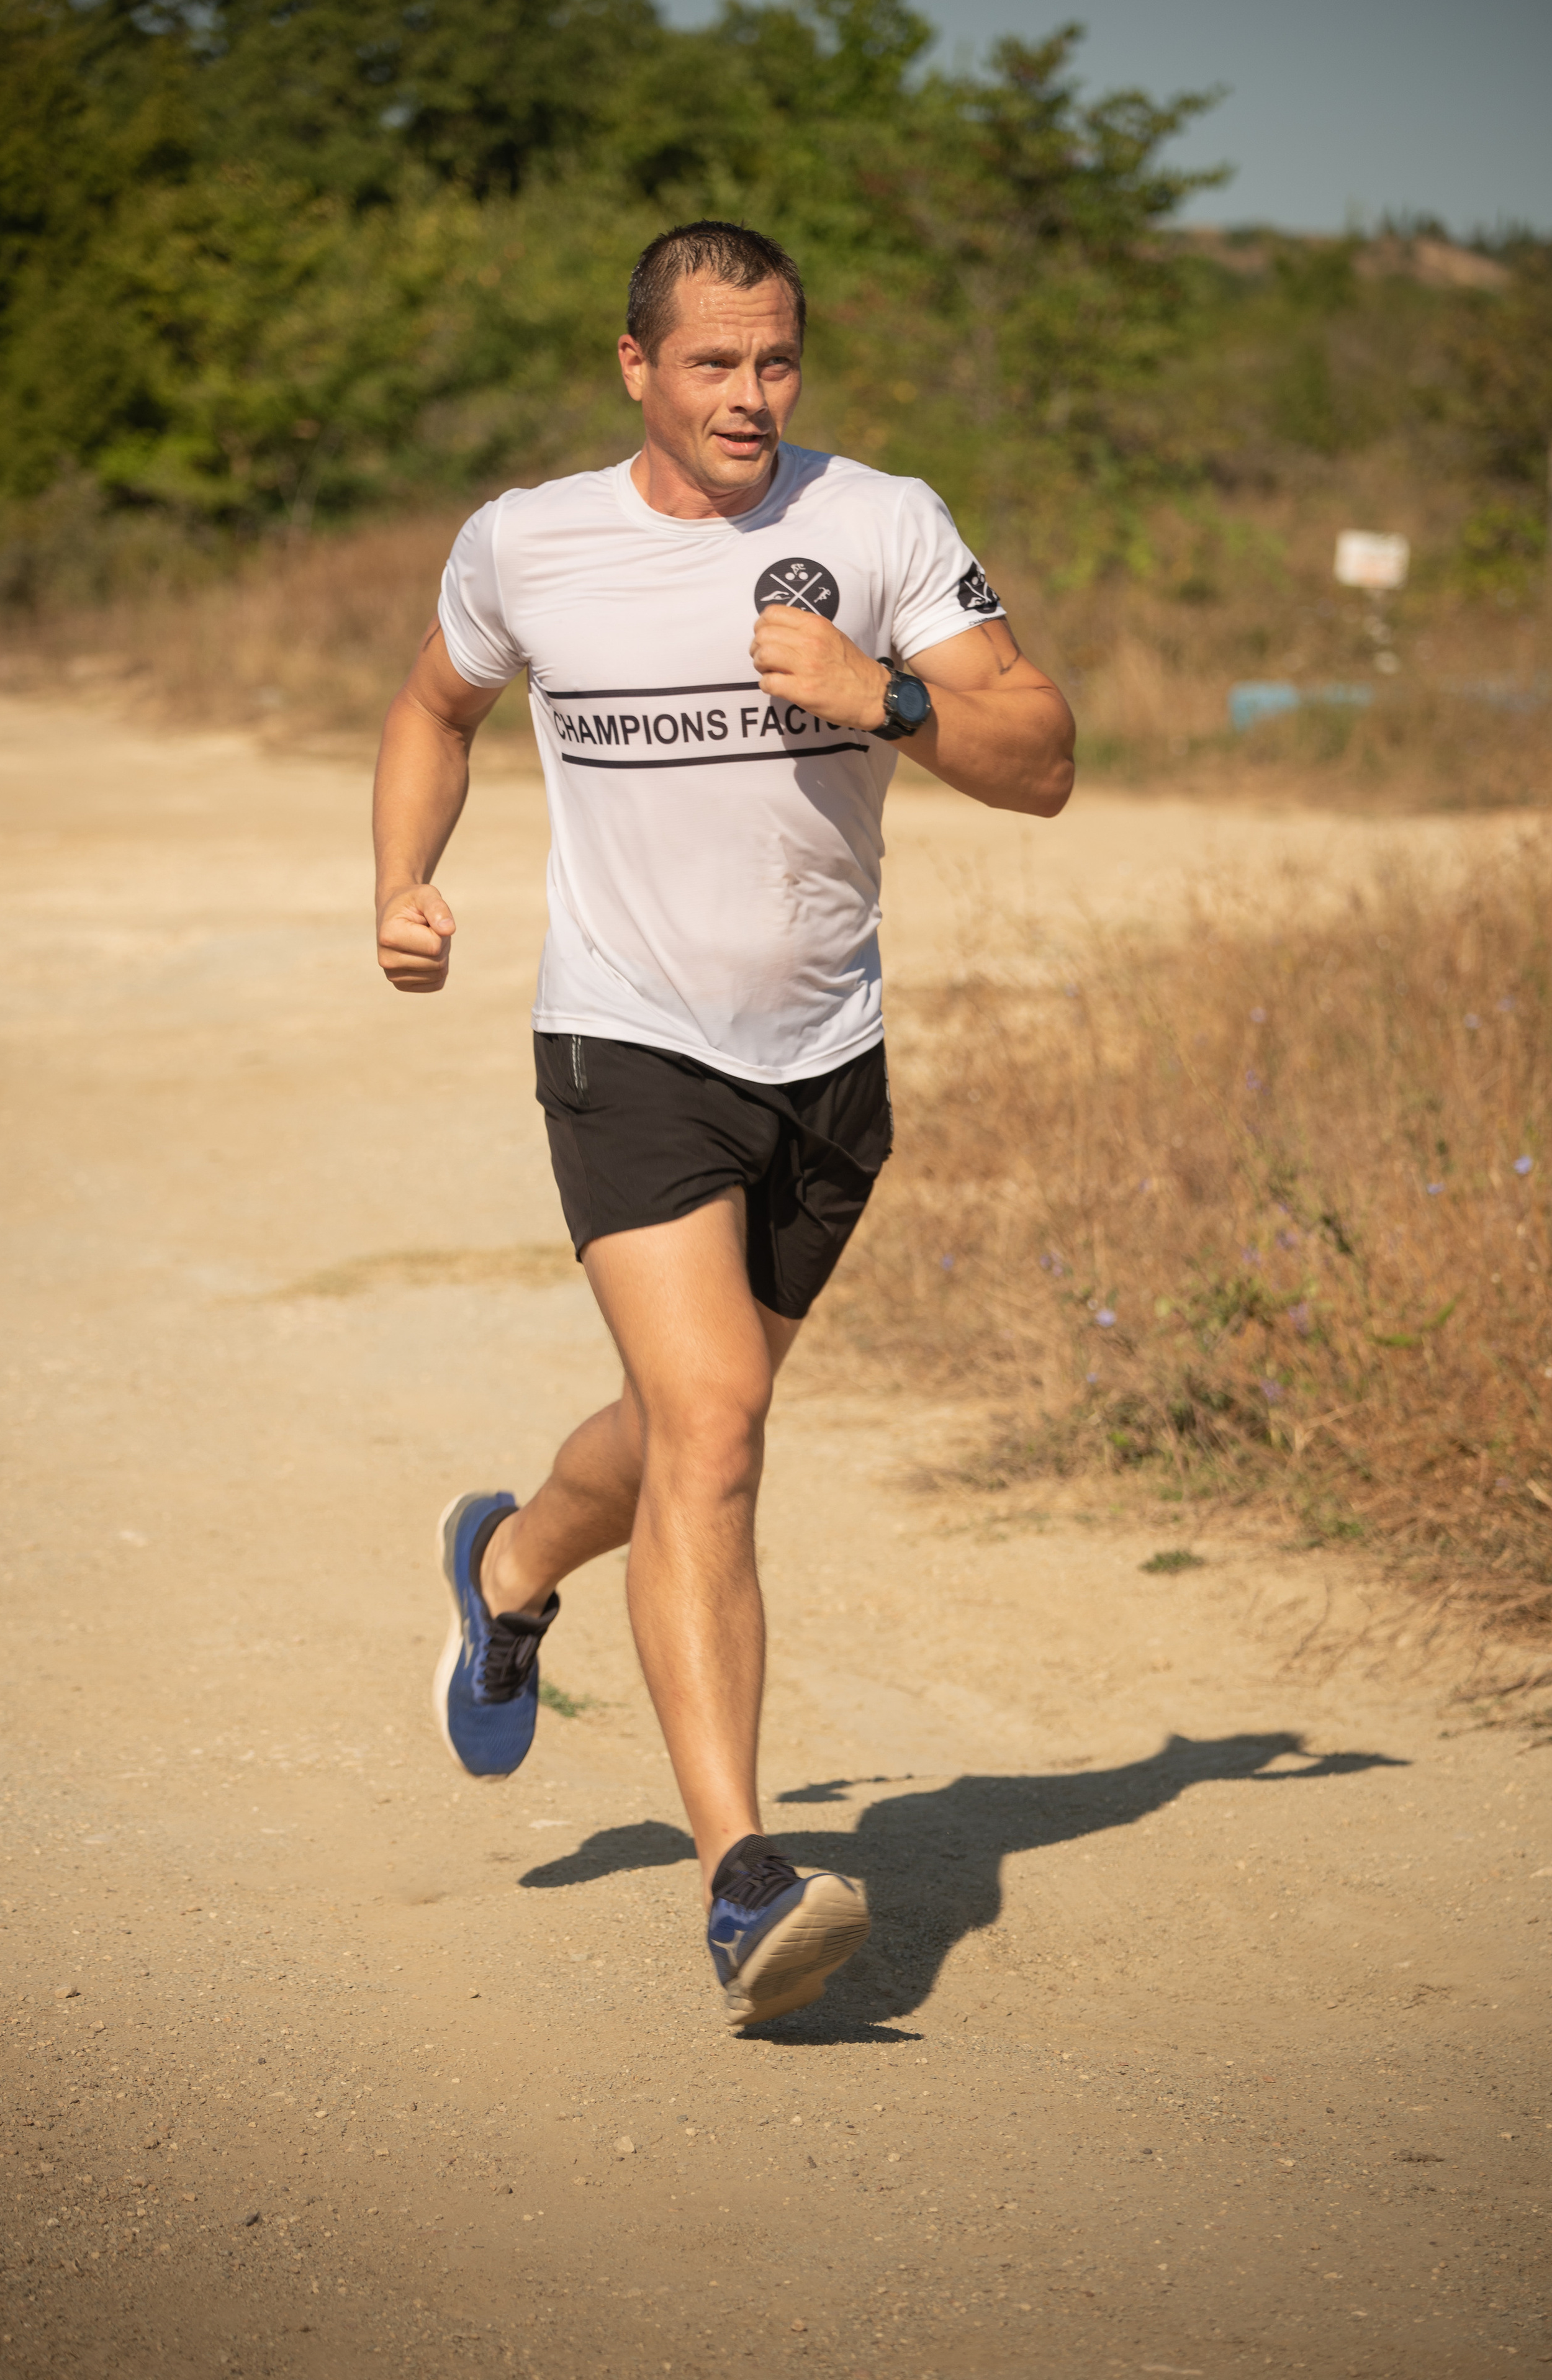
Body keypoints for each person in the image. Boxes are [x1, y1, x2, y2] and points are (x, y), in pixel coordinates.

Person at [372, 220, 1074, 2029]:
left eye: (776, 362)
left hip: (827, 1064)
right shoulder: (529, 541)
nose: (751, 397)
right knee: (722, 1423)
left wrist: (889, 696)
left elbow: (1046, 757)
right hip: (626, 1041)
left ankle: (511, 1559)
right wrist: (400, 878)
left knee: (683, 1427)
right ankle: (741, 1873)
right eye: (712, 364)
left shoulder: (886, 524)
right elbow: (435, 704)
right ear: (637, 368)